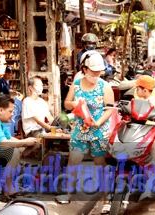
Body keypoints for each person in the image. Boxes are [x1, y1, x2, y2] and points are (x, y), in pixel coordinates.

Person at [55, 50, 114, 214]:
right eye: (93, 70)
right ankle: (68, 195)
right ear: (84, 69)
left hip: (99, 131)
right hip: (79, 130)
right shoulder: (76, 84)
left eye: (98, 71)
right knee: (73, 162)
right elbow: (66, 104)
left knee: (100, 165)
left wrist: (98, 122)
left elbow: (110, 109)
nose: (96, 74)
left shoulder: (105, 86)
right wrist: (75, 104)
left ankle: (105, 200)